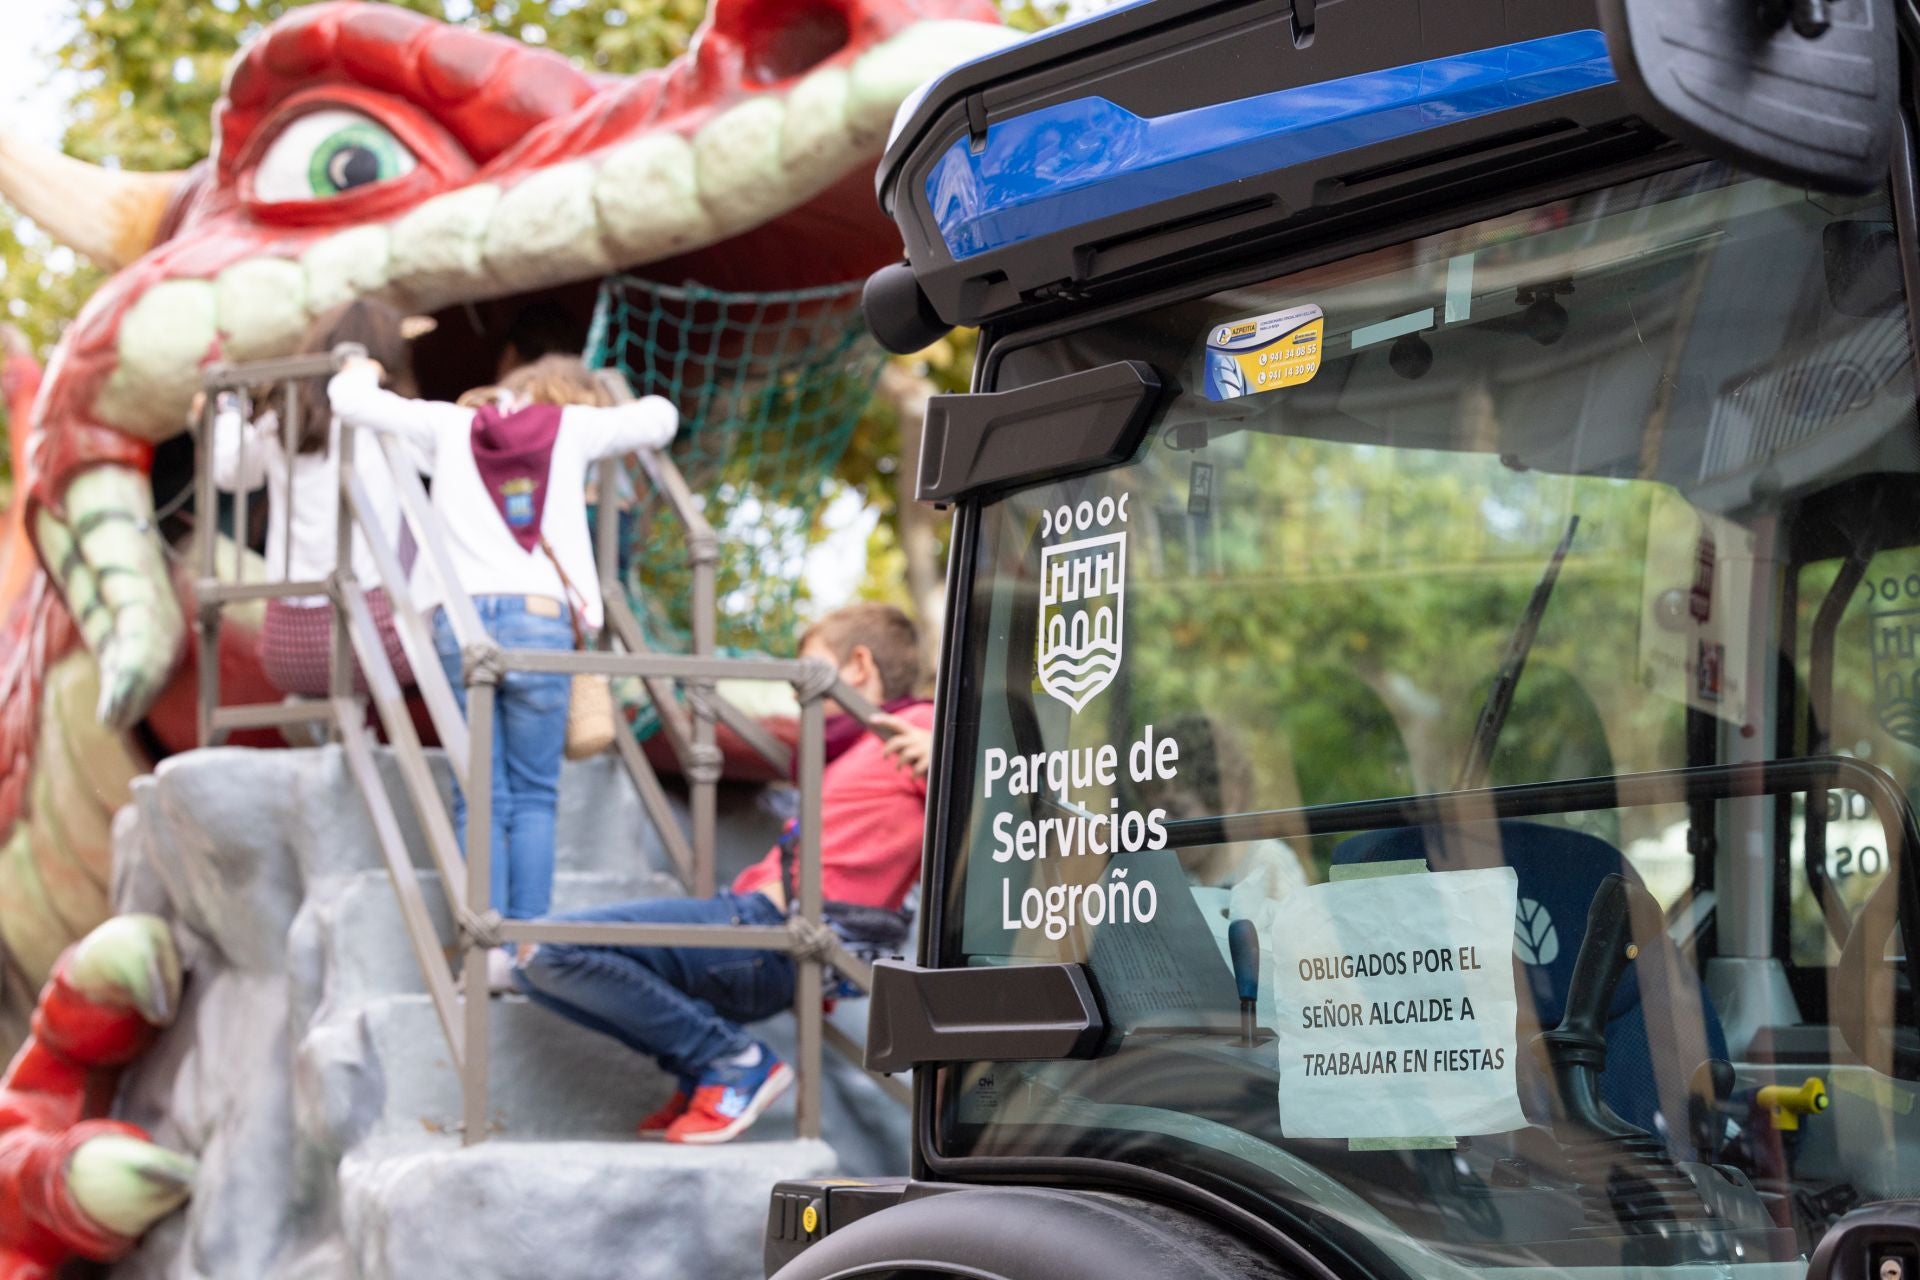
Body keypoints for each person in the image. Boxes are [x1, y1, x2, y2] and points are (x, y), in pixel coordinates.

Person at [512, 603, 935, 1145]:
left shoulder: (914, 729)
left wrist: (947, 755)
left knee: (554, 951)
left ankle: (731, 1061)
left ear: (856, 666)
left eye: (808, 668)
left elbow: (1010, 794)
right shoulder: (845, 755)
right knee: (534, 961)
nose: (793, 691)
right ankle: (703, 1072)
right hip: (755, 927)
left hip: (775, 933)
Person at [327, 353, 679, 983]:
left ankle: (485, 949)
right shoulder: (574, 427)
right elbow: (661, 419)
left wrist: (358, 367)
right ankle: (528, 950)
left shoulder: (447, 423)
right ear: (572, 394)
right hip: (541, 619)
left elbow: (350, 403)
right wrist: (612, 408)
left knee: (479, 793)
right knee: (536, 794)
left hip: (460, 627)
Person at [209, 300, 415, 697]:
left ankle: (331, 734)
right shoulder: (389, 419)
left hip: (289, 646)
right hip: (379, 640)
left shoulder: (281, 424)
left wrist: (229, 411)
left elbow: (231, 473)